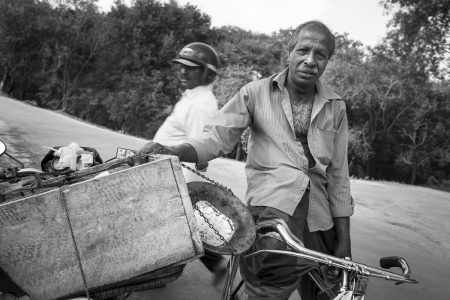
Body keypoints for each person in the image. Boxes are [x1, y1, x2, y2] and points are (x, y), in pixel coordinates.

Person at [138, 21, 354, 300]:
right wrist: (174, 150)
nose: (310, 61)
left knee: (335, 294)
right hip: (274, 215)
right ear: (290, 51)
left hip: (322, 221)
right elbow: (216, 138)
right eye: (303, 50)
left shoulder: (335, 107)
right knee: (267, 288)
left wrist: (344, 241)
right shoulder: (255, 93)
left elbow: (339, 176)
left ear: (327, 61)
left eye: (320, 54)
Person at [151, 42, 228, 284]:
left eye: (191, 68)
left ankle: (164, 271)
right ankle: (213, 263)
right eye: (181, 66)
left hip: (174, 179)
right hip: (163, 174)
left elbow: (198, 155)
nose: (183, 72)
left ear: (207, 73)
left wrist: (183, 197)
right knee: (178, 227)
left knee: (175, 225)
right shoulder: (192, 97)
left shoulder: (202, 105)